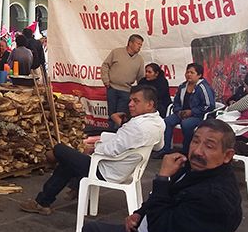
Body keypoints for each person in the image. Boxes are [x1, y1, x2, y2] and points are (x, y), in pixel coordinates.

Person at [59, 119, 242, 232]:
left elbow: (160, 228)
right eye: (195, 142)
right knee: (92, 230)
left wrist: (162, 178)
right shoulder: (195, 169)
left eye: (209, 146)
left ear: (227, 155)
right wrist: (140, 213)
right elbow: (162, 199)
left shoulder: (215, 195)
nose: (198, 151)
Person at [20, 85, 164, 216]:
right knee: (68, 162)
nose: (130, 104)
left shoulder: (137, 126)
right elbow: (159, 146)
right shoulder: (159, 123)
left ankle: (50, 177)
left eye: (136, 101)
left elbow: (111, 150)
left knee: (60, 150)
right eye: (131, 100)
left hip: (106, 170)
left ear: (149, 104)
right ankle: (45, 200)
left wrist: (93, 148)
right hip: (126, 169)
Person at [157, 63, 215, 157]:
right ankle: (166, 149)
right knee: (167, 121)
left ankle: (186, 150)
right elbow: (176, 102)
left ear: (199, 75)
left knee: (186, 124)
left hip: (199, 115)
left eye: (192, 72)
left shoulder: (203, 88)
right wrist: (178, 111)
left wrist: (192, 112)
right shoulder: (183, 86)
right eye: (187, 72)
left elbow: (209, 106)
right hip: (182, 113)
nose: (188, 74)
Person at [101, 34, 145, 130]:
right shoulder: (116, 52)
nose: (139, 47)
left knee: (121, 116)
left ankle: (119, 135)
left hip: (126, 91)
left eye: (141, 45)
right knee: (111, 114)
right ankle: (110, 135)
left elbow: (141, 77)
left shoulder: (139, 60)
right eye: (138, 44)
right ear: (130, 43)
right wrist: (106, 80)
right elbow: (105, 65)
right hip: (112, 88)